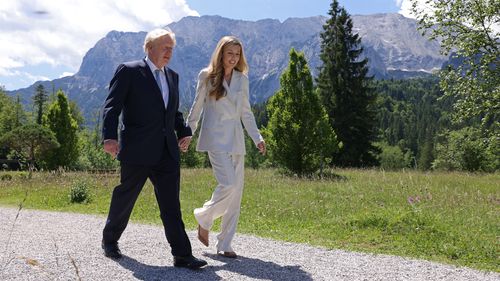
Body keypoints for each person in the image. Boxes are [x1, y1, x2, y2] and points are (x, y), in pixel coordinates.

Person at [101, 28, 207, 269]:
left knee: (171, 204)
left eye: (171, 48)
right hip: (137, 150)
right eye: (165, 47)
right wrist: (109, 137)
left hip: (166, 152)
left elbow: (173, 112)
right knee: (125, 197)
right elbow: (112, 106)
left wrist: (184, 132)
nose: (169, 52)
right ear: (149, 48)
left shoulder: (173, 76)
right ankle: (110, 241)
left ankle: (182, 254)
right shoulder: (129, 71)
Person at [186, 36, 266, 258]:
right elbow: (197, 106)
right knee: (228, 184)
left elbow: (246, 113)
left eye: (237, 54)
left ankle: (225, 244)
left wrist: (257, 137)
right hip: (215, 138)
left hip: (236, 140)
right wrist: (188, 133)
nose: (233, 58)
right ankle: (204, 217)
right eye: (230, 53)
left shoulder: (243, 79)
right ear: (221, 53)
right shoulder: (207, 76)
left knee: (236, 194)